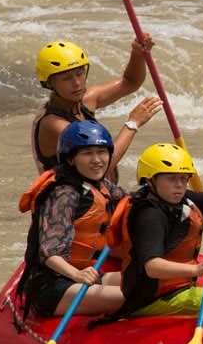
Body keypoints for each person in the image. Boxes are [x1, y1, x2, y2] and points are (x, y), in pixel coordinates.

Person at [105, 142, 203, 317]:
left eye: (183, 178)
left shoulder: (181, 199)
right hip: (154, 299)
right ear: (151, 180)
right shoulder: (150, 216)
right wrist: (196, 270)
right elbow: (152, 267)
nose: (180, 185)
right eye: (171, 178)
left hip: (175, 290)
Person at [17, 121, 128, 317]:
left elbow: (133, 203)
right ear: (70, 159)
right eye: (87, 154)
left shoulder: (101, 185)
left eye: (101, 152)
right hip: (53, 284)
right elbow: (49, 252)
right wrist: (77, 274)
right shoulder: (63, 194)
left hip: (86, 276)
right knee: (133, 296)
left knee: (150, 282)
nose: (97, 160)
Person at [30, 36, 162, 174]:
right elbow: (102, 165)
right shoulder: (54, 124)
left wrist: (137, 54)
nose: (77, 83)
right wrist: (133, 123)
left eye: (80, 74)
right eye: (66, 78)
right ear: (49, 83)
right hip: (71, 194)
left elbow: (130, 82)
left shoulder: (87, 99)